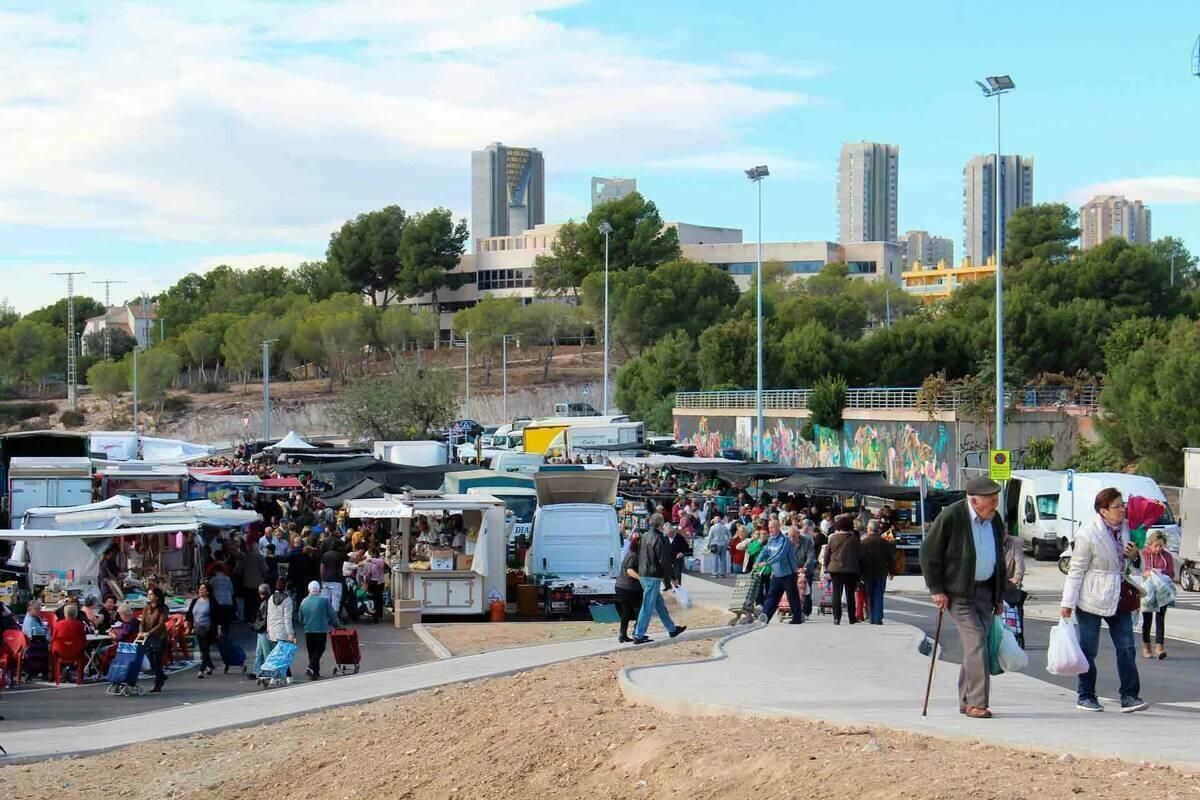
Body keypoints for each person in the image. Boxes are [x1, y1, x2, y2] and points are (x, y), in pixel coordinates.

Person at [920, 477, 1008, 719]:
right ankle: (977, 703)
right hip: (958, 593)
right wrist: (936, 589)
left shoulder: (994, 520)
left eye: (996, 500)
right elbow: (929, 553)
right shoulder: (952, 516)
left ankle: (965, 701)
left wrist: (999, 596)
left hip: (986, 592)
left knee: (975, 648)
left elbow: (999, 558)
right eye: (991, 501)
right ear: (975, 501)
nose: (995, 505)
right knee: (977, 642)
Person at [1061, 487, 1148, 713]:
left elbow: (1136, 567)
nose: (1122, 510)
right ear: (1103, 511)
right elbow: (1076, 570)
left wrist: (1134, 557)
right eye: (1116, 506)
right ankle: (1086, 695)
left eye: (1123, 505)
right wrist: (1067, 603)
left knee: (1127, 647)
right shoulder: (1088, 534)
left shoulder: (1128, 529)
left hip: (1119, 595)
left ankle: (1129, 695)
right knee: (1088, 649)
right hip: (1092, 596)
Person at [632, 516, 686, 645]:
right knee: (647, 606)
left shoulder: (644, 536)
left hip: (644, 573)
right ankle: (638, 635)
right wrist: (673, 578)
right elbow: (664, 561)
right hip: (653, 575)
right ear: (661, 524)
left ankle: (672, 629)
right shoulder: (660, 538)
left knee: (659, 604)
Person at [759, 520, 803, 624]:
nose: (770, 529)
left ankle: (797, 618)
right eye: (769, 527)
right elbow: (765, 551)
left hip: (789, 574)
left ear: (778, 527)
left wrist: (767, 562)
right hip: (777, 574)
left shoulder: (785, 540)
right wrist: (758, 560)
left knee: (792, 597)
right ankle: (765, 616)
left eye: (773, 527)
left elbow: (781, 555)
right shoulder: (770, 540)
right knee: (772, 595)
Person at [1141, 530, 1175, 660]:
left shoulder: (1167, 556)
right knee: (1147, 619)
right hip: (1148, 590)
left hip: (1162, 590)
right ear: (1149, 544)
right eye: (1156, 546)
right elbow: (1137, 571)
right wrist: (1146, 573)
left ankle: (1160, 647)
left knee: (1160, 619)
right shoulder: (1143, 554)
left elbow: (1171, 573)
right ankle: (1146, 646)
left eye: (1161, 546)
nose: (1158, 548)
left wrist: (1160, 572)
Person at [298, 580, 340, 680]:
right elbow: (332, 615)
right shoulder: (324, 600)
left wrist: (306, 622)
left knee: (312, 652)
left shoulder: (304, 601)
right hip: (321, 629)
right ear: (319, 589)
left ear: (309, 589)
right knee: (320, 649)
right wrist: (337, 625)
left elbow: (300, 618)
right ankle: (310, 668)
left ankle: (315, 672)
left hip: (308, 630)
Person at [826, 516, 862, 626]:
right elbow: (860, 556)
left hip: (835, 569)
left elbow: (827, 554)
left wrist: (828, 566)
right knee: (850, 594)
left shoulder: (833, 538)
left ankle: (837, 618)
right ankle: (852, 617)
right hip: (851, 570)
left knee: (836, 593)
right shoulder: (855, 540)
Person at [860, 519, 896, 625]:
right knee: (879, 594)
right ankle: (878, 617)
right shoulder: (885, 542)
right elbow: (891, 558)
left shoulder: (864, 542)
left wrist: (859, 573)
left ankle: (872, 617)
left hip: (867, 572)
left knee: (870, 595)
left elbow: (860, 559)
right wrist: (892, 571)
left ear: (870, 529)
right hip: (881, 572)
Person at [140, 586, 170, 693]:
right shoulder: (147, 607)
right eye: (148, 594)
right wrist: (141, 631)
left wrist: (150, 632)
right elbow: (142, 621)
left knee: (158, 660)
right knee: (150, 659)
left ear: (157, 596)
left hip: (159, 636)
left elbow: (161, 623)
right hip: (148, 637)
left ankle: (157, 684)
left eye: (151, 594)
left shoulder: (163, 608)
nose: (149, 596)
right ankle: (161, 675)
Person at [615, 533, 643, 643]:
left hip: (620, 587)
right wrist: (641, 579)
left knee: (626, 612)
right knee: (640, 610)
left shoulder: (629, 553)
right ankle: (637, 633)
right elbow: (630, 570)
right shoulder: (634, 556)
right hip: (629, 588)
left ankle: (622, 635)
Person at [266, 577, 295, 681]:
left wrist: (268, 629)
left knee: (279, 655)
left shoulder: (270, 598)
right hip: (283, 631)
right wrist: (291, 633)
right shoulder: (287, 599)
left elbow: (268, 616)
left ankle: (287, 676)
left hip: (273, 630)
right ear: (285, 586)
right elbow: (287, 618)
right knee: (282, 656)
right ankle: (278, 677)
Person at [186, 583, 217, 677]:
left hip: (207, 629)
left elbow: (217, 616)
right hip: (197, 629)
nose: (200, 590)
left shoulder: (211, 602)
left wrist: (218, 628)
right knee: (202, 649)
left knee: (206, 649)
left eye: (203, 589)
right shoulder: (195, 601)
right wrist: (189, 624)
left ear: (207, 591)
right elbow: (189, 614)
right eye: (200, 589)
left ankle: (201, 670)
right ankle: (210, 666)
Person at [1003, 528, 1027, 648]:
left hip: (1010, 585)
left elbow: (1019, 562)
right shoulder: (990, 541)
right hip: (994, 584)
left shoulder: (1015, 542)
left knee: (1016, 611)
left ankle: (1018, 636)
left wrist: (1017, 577)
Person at [249, 583, 272, 678]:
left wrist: (256, 627)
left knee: (263, 652)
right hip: (265, 630)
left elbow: (264, 619)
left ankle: (263, 671)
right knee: (262, 652)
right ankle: (258, 671)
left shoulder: (264, 603)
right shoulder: (268, 601)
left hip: (264, 631)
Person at [209, 564, 235, 636]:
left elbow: (209, 589)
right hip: (228, 602)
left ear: (215, 570)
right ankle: (226, 636)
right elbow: (232, 591)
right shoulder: (228, 578)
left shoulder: (212, 579)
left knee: (218, 621)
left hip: (218, 602)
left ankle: (219, 636)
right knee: (226, 622)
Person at [662, 523, 688, 591]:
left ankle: (677, 587)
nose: (669, 535)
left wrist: (681, 553)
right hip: (667, 557)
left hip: (677, 557)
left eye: (670, 534)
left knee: (677, 573)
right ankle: (668, 586)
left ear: (673, 531)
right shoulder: (665, 537)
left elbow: (686, 546)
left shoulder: (679, 537)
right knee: (665, 572)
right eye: (667, 534)